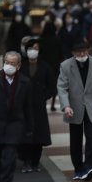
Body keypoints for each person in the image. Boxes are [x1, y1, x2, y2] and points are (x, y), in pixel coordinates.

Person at [0, 51, 33, 182]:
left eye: (12, 63)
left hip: (15, 123)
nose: (9, 66)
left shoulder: (25, 82)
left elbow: (28, 107)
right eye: (7, 63)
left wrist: (30, 127)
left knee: (10, 154)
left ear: (18, 66)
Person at [57, 41, 92, 181]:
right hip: (73, 107)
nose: (82, 54)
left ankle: (90, 166)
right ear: (73, 53)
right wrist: (66, 106)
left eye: (84, 51)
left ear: (88, 50)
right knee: (75, 140)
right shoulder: (66, 65)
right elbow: (62, 87)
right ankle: (78, 169)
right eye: (78, 52)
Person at [18, 39, 56, 172]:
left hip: (39, 106)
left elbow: (52, 85)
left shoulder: (45, 66)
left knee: (39, 135)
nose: (33, 51)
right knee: (25, 134)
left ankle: (35, 162)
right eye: (30, 48)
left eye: (36, 48)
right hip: (23, 106)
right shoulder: (21, 66)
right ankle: (26, 162)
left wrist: (44, 96)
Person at [39, 21, 64, 111]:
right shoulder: (57, 39)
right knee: (53, 85)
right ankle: (53, 104)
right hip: (55, 66)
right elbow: (61, 53)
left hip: (43, 65)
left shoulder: (41, 39)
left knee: (43, 84)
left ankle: (43, 102)